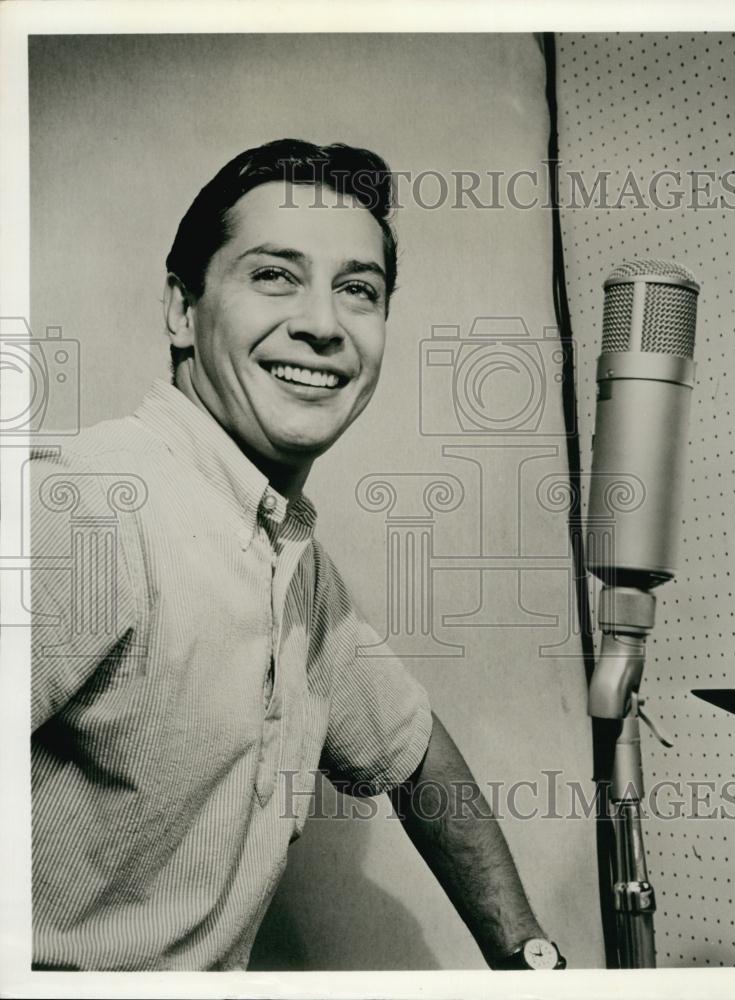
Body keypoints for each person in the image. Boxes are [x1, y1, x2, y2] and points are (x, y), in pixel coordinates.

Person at [30, 138, 566, 972]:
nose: (321, 324)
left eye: (358, 290)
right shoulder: (91, 503)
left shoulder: (290, 560)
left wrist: (529, 961)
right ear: (181, 308)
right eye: (274, 275)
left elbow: (415, 749)